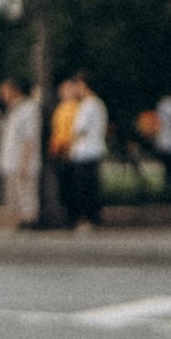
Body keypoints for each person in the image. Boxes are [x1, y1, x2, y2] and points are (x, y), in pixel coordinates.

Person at [63, 73, 109, 229]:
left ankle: (89, 218)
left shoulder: (89, 104)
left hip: (85, 150)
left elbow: (78, 129)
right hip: (93, 149)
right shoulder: (98, 104)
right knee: (90, 187)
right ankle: (92, 217)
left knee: (84, 188)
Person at [0, 78, 42, 229]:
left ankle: (29, 222)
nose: (3, 95)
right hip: (10, 160)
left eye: (5, 91)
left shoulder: (28, 108)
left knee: (26, 194)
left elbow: (29, 137)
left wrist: (25, 162)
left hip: (23, 160)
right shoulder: (11, 110)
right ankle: (18, 221)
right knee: (14, 195)